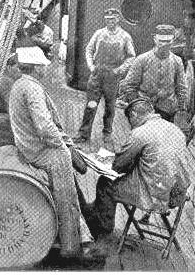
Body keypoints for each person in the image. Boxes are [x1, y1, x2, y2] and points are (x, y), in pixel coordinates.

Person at [9, 46, 96, 260]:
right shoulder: (32, 89)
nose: (45, 69)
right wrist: (62, 146)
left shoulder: (19, 85)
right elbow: (44, 127)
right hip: (41, 151)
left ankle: (83, 235)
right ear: (36, 68)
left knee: (71, 188)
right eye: (42, 66)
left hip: (28, 147)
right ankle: (71, 246)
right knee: (66, 195)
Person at [80, 98, 191, 240]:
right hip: (176, 192)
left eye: (130, 121)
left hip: (155, 195)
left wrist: (109, 160)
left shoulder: (141, 132)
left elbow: (119, 166)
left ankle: (103, 232)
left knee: (105, 183)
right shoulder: (175, 129)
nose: (131, 126)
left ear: (134, 114)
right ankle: (96, 211)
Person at [74, 8, 135, 144]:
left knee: (110, 107)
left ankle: (107, 132)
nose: (110, 22)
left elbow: (131, 57)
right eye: (108, 20)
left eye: (113, 19)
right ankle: (84, 134)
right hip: (97, 74)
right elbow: (89, 49)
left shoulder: (125, 36)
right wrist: (91, 66)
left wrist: (119, 70)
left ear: (118, 19)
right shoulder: (99, 33)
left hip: (112, 77)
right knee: (91, 105)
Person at [120, 24, 188, 122]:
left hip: (167, 111)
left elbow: (181, 88)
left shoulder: (177, 61)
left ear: (173, 40)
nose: (164, 45)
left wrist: (181, 109)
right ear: (155, 39)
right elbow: (129, 85)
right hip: (143, 110)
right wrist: (137, 105)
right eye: (161, 41)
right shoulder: (141, 60)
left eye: (168, 41)